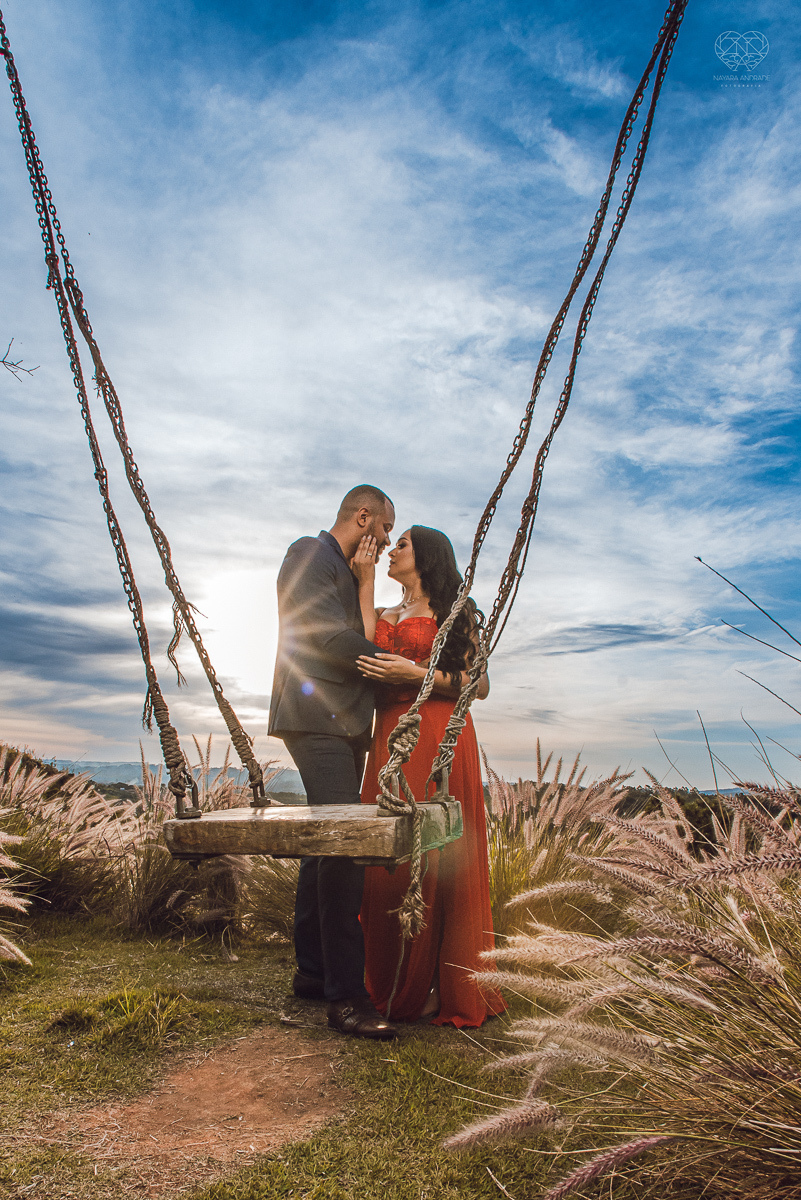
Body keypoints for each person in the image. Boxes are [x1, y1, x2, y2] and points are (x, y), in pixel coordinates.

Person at [353, 525, 505, 1027]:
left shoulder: (455, 612)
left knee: (439, 855)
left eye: (402, 543)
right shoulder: (382, 611)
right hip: (389, 734)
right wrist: (365, 579)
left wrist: (415, 675)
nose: (392, 549)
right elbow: (362, 648)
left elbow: (479, 684)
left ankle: (443, 984)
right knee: (384, 855)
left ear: (427, 555)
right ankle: (393, 983)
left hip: (438, 730)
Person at [268, 484, 398, 1040]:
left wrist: (367, 586)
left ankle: (314, 971)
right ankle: (346, 998)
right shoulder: (309, 553)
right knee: (345, 843)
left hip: (345, 723)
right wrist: (398, 667)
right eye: (386, 528)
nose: (387, 541)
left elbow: (353, 632)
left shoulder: (347, 571)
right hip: (314, 717)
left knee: (325, 841)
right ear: (363, 517)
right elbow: (324, 637)